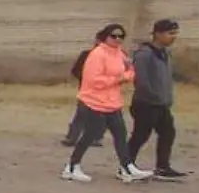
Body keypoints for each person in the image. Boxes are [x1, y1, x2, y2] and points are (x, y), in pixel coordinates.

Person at [63, 24, 151, 184]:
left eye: (121, 36)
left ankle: (127, 167)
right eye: (113, 36)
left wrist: (126, 76)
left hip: (112, 102)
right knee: (90, 135)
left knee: (120, 135)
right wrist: (118, 79)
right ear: (105, 36)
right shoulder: (97, 54)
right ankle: (71, 167)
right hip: (93, 101)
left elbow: (130, 71)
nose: (117, 39)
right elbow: (93, 80)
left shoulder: (121, 54)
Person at [127, 18, 187, 181]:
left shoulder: (165, 53)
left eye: (175, 33)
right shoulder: (145, 54)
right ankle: (126, 165)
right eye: (170, 33)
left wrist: (166, 97)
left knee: (168, 132)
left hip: (161, 104)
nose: (173, 37)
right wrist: (154, 96)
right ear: (158, 34)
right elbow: (142, 81)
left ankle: (162, 167)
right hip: (145, 103)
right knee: (141, 135)